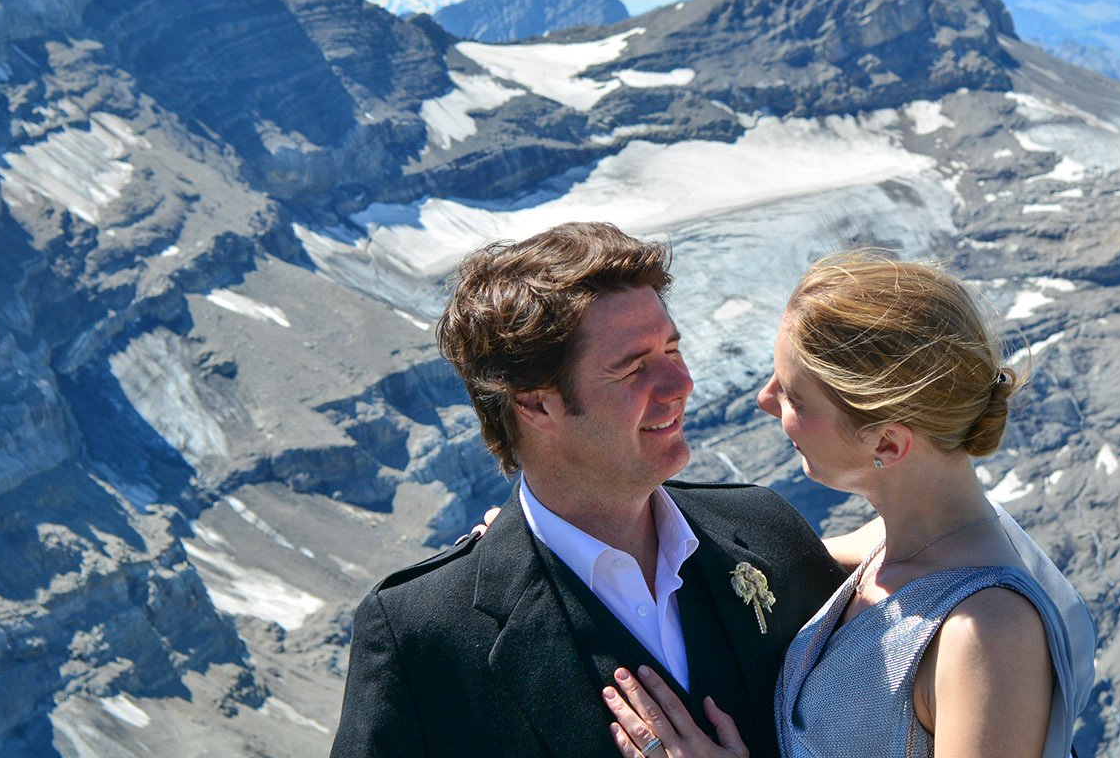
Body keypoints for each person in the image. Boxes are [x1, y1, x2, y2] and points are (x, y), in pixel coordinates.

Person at [329, 222, 844, 757]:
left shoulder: (767, 530)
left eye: (672, 350)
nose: (681, 384)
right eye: (634, 369)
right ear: (534, 403)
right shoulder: (422, 635)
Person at [604, 252, 1096, 758]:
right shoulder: (885, 545)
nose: (765, 400)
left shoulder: (989, 633)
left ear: (886, 443)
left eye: (794, 398)